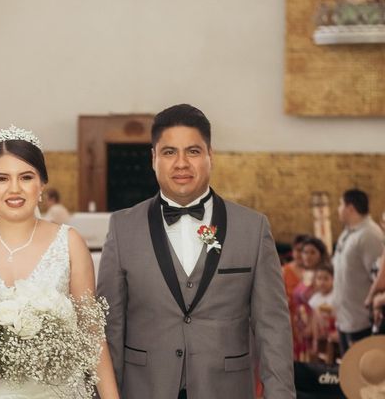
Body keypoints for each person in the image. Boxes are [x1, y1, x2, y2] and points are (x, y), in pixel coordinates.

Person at [97, 104, 295, 399]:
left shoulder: (252, 229)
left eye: (192, 151)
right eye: (169, 152)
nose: (181, 163)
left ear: (210, 156)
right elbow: (109, 325)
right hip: (145, 389)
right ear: (153, 158)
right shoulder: (123, 228)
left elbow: (273, 327)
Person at [0, 125, 119, 399]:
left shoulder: (69, 243)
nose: (14, 189)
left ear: (42, 184)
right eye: (3, 178)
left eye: (26, 177)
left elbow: (90, 331)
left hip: (55, 391)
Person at [332, 189, 384, 356]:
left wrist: (373, 303)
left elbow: (378, 275)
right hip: (346, 317)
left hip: (362, 319)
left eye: (340, 204)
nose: (338, 209)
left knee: (362, 375)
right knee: (348, 372)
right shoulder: (348, 232)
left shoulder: (370, 234)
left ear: (350, 208)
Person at [291, 236, 329, 360]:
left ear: (321, 254)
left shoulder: (322, 277)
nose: (308, 256)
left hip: (315, 327)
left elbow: (319, 304)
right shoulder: (304, 273)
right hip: (299, 326)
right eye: (305, 252)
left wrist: (311, 327)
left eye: (312, 252)